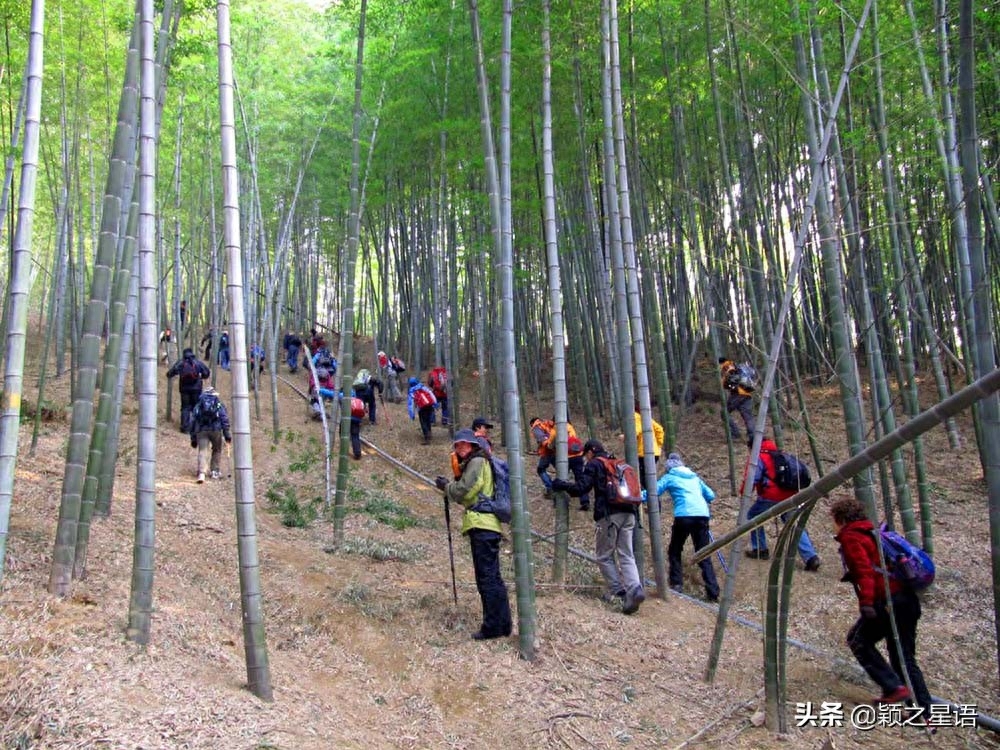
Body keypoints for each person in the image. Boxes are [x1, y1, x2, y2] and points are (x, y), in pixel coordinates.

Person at [831, 496, 932, 712]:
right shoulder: (873, 530)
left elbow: (865, 571)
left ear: (840, 518)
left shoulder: (852, 537)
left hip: (888, 601)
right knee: (903, 657)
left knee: (858, 639)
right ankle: (923, 712)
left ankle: (893, 687)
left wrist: (867, 603)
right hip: (906, 599)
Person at [434, 429, 513, 640]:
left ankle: (492, 627)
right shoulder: (480, 460)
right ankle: (503, 624)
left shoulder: (477, 461)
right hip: (487, 524)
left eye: (464, 444)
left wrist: (448, 488)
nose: (460, 448)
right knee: (493, 577)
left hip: (482, 524)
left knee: (486, 578)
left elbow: (467, 489)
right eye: (457, 445)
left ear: (472, 445)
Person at [551, 440, 645, 615]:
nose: (585, 458)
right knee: (626, 554)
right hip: (631, 513)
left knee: (604, 555)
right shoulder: (618, 464)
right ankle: (635, 588)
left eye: (585, 454)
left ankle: (619, 592)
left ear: (590, 452)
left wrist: (561, 484)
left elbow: (581, 488)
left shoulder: (595, 464)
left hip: (609, 515)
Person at [741, 438, 821, 571]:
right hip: (791, 495)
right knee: (793, 524)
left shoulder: (759, 457)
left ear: (752, 447)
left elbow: (752, 478)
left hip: (771, 496)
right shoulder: (780, 454)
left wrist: (744, 492)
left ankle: (760, 550)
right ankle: (811, 557)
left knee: (753, 517)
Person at [651, 452, 719, 602]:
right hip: (702, 516)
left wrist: (636, 496)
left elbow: (653, 491)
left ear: (669, 468)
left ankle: (676, 583)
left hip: (684, 517)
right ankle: (713, 592)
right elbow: (711, 495)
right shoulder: (694, 477)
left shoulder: (670, 477)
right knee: (703, 553)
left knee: (675, 550)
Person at [189, 386, 231, 483]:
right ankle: (214, 471)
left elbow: (193, 421)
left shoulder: (199, 405)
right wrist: (227, 433)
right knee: (217, 449)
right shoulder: (218, 403)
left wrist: (193, 437)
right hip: (215, 430)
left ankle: (202, 473)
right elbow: (224, 418)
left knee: (203, 451)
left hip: (201, 430)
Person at [166, 347, 210, 433]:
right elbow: (206, 373)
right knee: (196, 407)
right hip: (197, 388)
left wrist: (170, 375)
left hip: (184, 389)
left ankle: (185, 428)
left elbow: (171, 372)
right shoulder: (197, 362)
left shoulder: (181, 362)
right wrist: (201, 377)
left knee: (185, 407)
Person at [719, 357, 754, 442]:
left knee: (724, 412)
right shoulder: (738, 366)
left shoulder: (727, 366)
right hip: (747, 393)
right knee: (747, 417)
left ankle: (735, 433)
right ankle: (753, 436)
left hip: (738, 393)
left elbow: (726, 383)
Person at [625, 402, 664, 466]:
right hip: (655, 452)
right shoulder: (646, 418)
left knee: (642, 475)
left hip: (644, 453)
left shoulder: (635, 417)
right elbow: (660, 429)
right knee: (650, 475)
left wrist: (625, 437)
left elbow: (636, 431)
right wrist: (658, 444)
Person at [407, 377, 436, 444]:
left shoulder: (411, 391)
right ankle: (429, 433)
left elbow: (411, 404)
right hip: (429, 406)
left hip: (421, 408)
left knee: (423, 422)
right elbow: (431, 394)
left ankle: (427, 437)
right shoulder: (423, 387)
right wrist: (435, 403)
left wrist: (412, 414)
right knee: (428, 420)